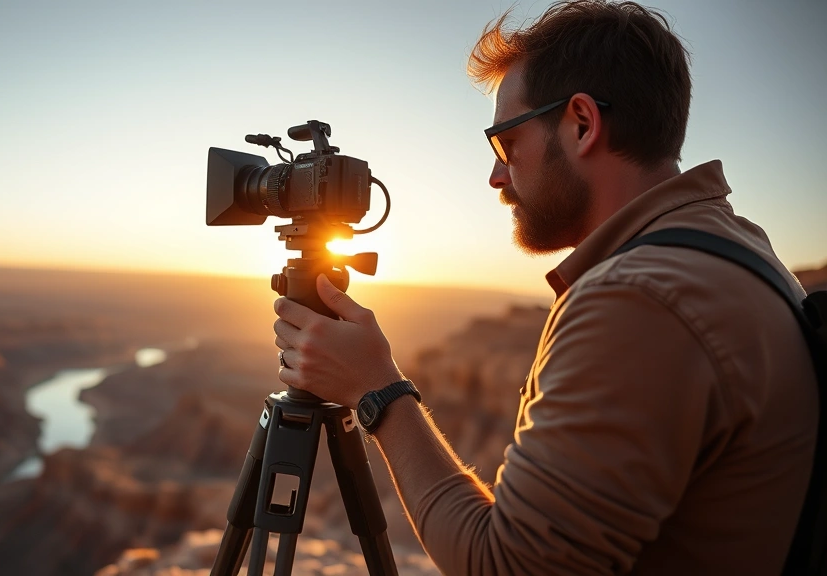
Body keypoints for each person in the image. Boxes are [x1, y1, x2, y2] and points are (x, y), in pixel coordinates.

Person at [271, 1, 819, 574]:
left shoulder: (640, 300)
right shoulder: (733, 247)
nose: (497, 174)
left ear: (581, 123)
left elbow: (508, 565)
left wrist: (375, 388)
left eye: (505, 143)